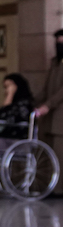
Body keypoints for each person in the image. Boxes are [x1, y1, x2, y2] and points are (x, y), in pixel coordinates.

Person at [36, 29, 63, 164]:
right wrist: (35, 102)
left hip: (60, 121)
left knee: (59, 158)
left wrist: (48, 105)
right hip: (49, 121)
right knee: (48, 159)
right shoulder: (54, 63)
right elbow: (47, 89)